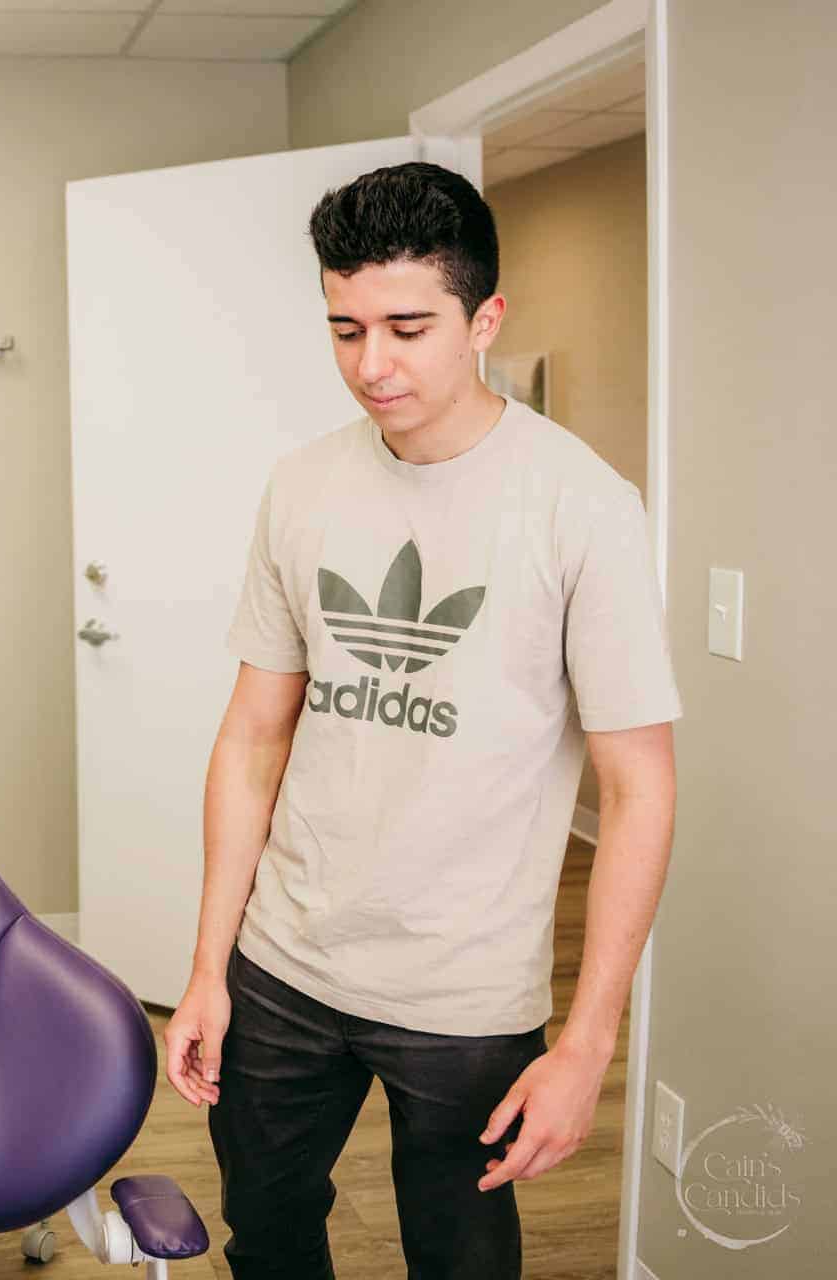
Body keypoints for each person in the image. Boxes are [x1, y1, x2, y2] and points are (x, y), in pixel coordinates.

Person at [162, 163, 680, 1278]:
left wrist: (589, 1041)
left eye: (406, 326)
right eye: (345, 329)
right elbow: (254, 735)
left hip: (466, 992)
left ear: (484, 317)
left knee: (460, 1259)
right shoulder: (301, 487)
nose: (371, 365)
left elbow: (640, 789)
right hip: (285, 961)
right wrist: (209, 964)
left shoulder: (584, 506)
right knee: (272, 1232)